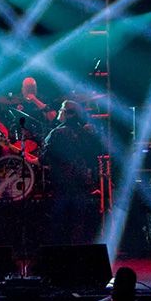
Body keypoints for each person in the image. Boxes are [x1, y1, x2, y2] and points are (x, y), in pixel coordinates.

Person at [42, 99, 101, 244]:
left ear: (67, 113)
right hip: (82, 183)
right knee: (78, 223)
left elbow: (44, 158)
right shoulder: (86, 133)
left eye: (61, 109)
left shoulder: (56, 133)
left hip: (62, 184)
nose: (59, 111)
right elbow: (94, 156)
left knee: (59, 223)